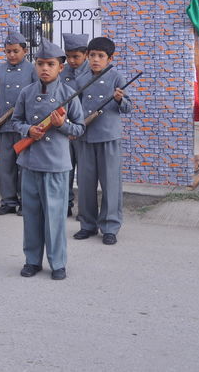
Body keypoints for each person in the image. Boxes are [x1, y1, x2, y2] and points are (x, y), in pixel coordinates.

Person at [10, 38, 85, 280]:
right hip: (30, 163)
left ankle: (58, 263)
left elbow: (79, 129)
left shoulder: (68, 94)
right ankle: (32, 260)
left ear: (60, 67)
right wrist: (28, 131)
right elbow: (16, 121)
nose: (45, 68)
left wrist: (62, 125)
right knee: (31, 216)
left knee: (54, 218)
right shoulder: (26, 93)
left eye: (50, 64)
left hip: (56, 165)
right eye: (40, 63)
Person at [73, 37, 132, 246]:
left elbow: (128, 107)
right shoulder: (81, 78)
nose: (95, 60)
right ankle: (87, 224)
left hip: (108, 137)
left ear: (110, 58)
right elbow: (75, 108)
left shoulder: (117, 77)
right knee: (86, 183)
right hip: (85, 136)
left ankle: (110, 226)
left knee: (110, 183)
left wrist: (119, 99)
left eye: (100, 56)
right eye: (92, 55)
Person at [0, 30, 37, 216]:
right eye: (8, 51)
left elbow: (37, 95)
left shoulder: (32, 69)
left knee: (24, 165)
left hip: (23, 125)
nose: (12, 55)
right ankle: (8, 201)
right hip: (4, 125)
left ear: (25, 50)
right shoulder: (0, 70)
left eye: (15, 51)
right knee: (6, 165)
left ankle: (25, 201)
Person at [59, 33, 90, 217]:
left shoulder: (92, 73)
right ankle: (66, 205)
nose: (71, 60)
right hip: (64, 129)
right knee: (66, 170)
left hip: (85, 129)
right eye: (68, 56)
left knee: (85, 174)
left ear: (85, 54)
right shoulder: (63, 73)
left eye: (76, 56)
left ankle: (85, 210)